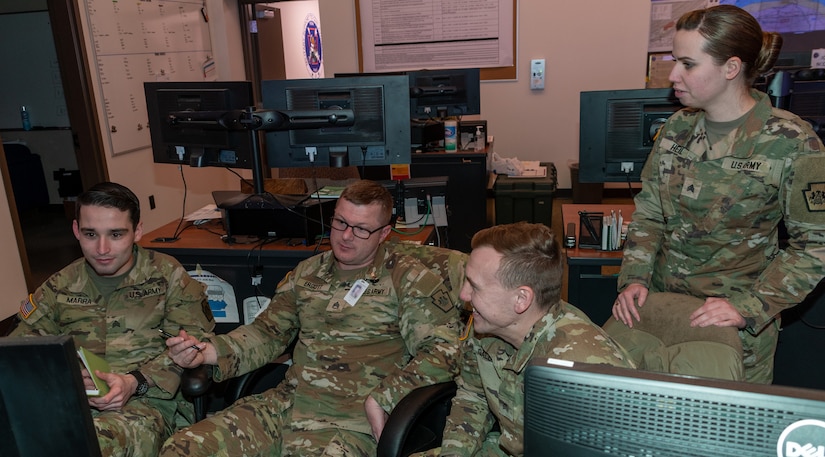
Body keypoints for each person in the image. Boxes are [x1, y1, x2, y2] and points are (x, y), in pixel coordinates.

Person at [160, 179, 464, 456]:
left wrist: (384, 397)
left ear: (384, 232)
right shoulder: (308, 272)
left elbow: (444, 351)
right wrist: (207, 353)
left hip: (354, 419)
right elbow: (267, 332)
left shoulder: (407, 279)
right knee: (182, 449)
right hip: (289, 404)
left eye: (361, 229)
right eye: (340, 222)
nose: (346, 236)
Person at [613, 5, 825, 384]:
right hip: (661, 313)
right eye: (674, 61)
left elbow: (815, 245)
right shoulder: (677, 128)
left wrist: (750, 306)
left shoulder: (792, 142)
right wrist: (635, 278)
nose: (673, 75)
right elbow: (649, 214)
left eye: (688, 64)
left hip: (735, 328)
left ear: (731, 68)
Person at [8, 181, 215, 457]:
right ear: (75, 231)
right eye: (90, 234)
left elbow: (196, 348)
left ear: (137, 231)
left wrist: (134, 381)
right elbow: (19, 351)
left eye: (116, 234)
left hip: (147, 406)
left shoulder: (168, 277)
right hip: (71, 403)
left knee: (93, 445)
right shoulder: (61, 284)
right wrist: (64, 377)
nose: (102, 248)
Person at [415, 222, 633, 457]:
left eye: (475, 287)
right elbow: (473, 394)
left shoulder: (578, 373)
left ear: (521, 299)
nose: (464, 295)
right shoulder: (485, 327)